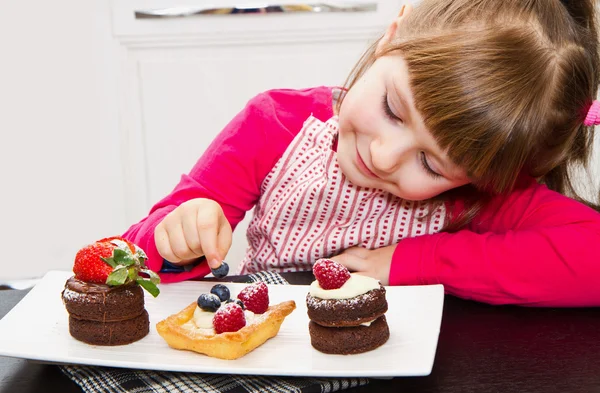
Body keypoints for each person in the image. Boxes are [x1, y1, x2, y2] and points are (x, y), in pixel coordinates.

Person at [123, 0, 600, 306]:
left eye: (431, 164)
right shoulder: (275, 124)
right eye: (393, 109)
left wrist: (416, 261)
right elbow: (125, 260)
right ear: (394, 32)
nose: (386, 155)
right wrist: (176, 236)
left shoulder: (475, 194)